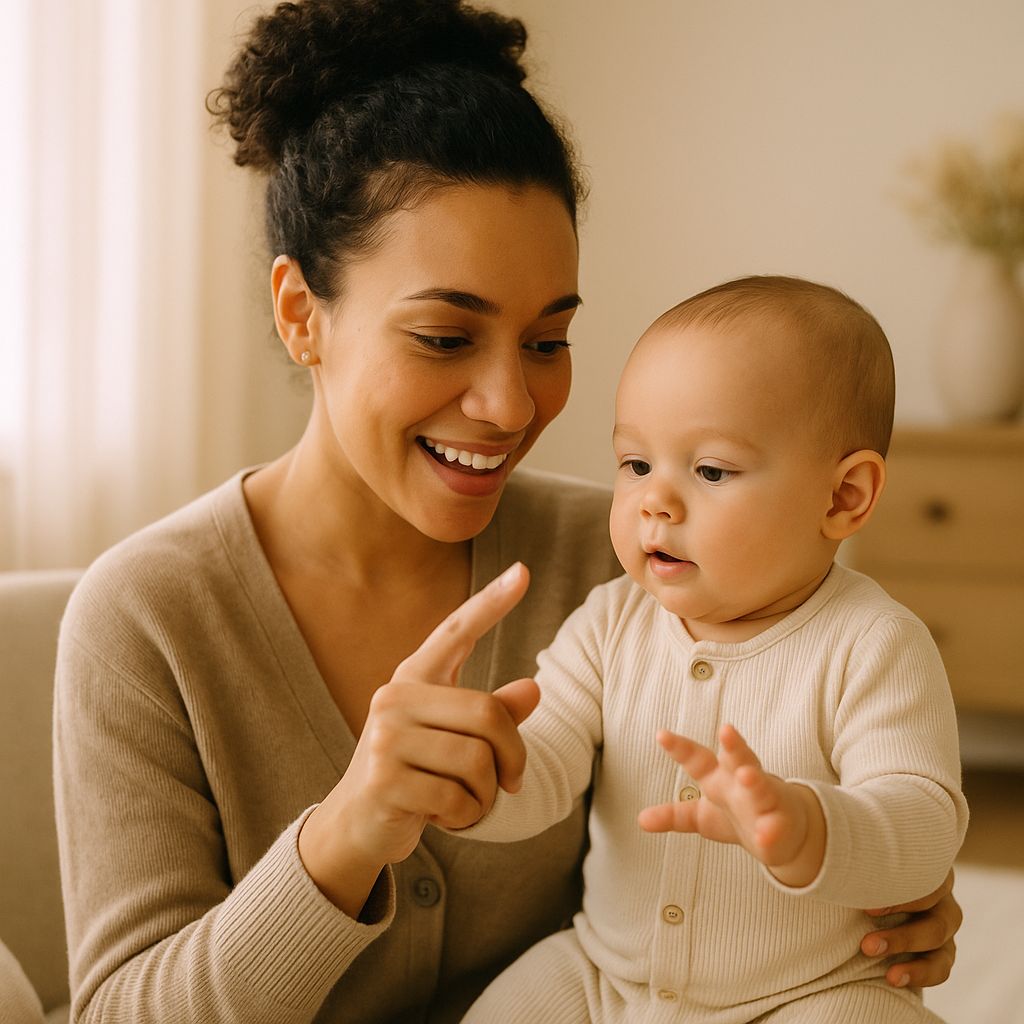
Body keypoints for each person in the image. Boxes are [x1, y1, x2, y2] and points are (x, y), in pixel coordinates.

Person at [51, 2, 962, 1021]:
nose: (511, 405)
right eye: (445, 336)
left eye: (545, 341)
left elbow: (820, 805)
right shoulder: (147, 619)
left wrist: (867, 887)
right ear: (301, 313)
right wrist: (346, 832)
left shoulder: (632, 567)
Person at [455, 275, 968, 1024]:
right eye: (635, 464)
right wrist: (481, 771)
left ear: (843, 498)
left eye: (710, 470)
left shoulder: (874, 644)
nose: (655, 501)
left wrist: (808, 827)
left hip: (808, 992)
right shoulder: (610, 621)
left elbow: (923, 827)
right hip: (609, 978)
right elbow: (548, 761)